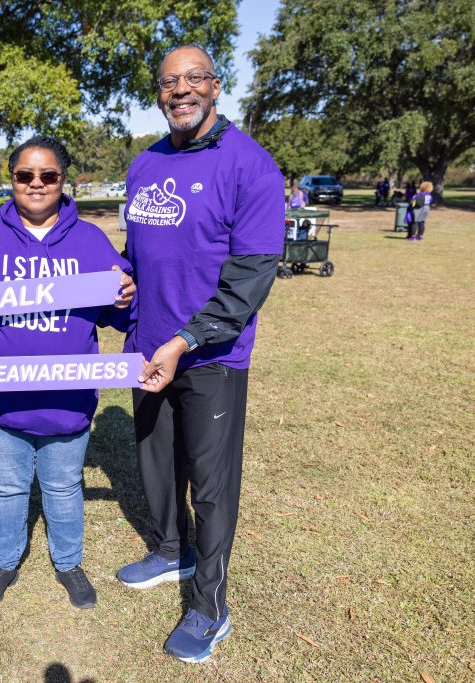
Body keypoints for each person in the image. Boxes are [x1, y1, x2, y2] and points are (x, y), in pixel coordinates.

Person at [117, 45, 284, 663]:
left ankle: (211, 605)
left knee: (210, 486)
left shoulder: (251, 165)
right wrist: (122, 284)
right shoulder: (144, 163)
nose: (181, 90)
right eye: (169, 82)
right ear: (159, 93)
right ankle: (168, 551)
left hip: (210, 356)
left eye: (193, 79)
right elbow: (139, 255)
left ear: (216, 86)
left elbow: (250, 276)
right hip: (146, 350)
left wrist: (184, 338)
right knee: (155, 463)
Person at [0, 136, 134, 609]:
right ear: (11, 180)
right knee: (8, 486)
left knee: (64, 486)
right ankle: (4, 560)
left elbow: (120, 316)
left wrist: (126, 294)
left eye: (47, 175)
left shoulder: (90, 241)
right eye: (24, 175)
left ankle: (68, 563)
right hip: (2, 402)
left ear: (62, 180)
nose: (36, 184)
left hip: (67, 403)